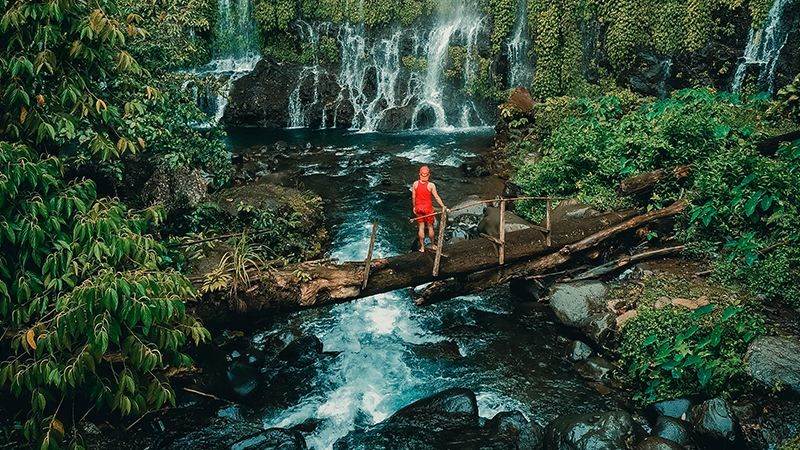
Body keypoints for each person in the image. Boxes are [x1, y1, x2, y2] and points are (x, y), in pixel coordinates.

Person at [412, 165, 447, 252]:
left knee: (421, 227)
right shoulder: (431, 185)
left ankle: (422, 247)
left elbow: (413, 197)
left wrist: (414, 207)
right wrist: (443, 206)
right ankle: (432, 245)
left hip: (418, 208)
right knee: (430, 227)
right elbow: (436, 197)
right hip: (428, 208)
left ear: (420, 174)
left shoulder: (415, 184)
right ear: (428, 175)